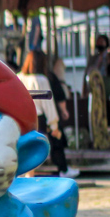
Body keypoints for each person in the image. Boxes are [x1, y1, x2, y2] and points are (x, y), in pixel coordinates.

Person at [18, 50, 78, 178]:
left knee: (24, 150)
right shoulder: (41, 79)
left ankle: (24, 179)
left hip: (20, 118)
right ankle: (30, 178)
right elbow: (48, 105)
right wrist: (54, 125)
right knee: (35, 151)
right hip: (37, 119)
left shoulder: (18, 78)